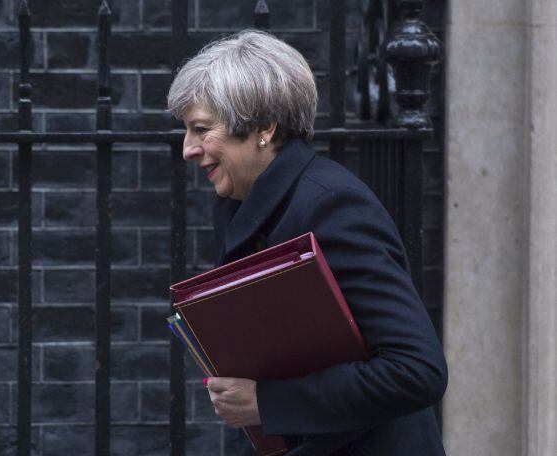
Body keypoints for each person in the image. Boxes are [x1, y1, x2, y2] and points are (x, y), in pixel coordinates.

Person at [167, 30, 448, 455]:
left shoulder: (332, 206)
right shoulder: (241, 203)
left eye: (201, 129)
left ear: (263, 127)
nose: (188, 149)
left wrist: (266, 402)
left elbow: (416, 370)